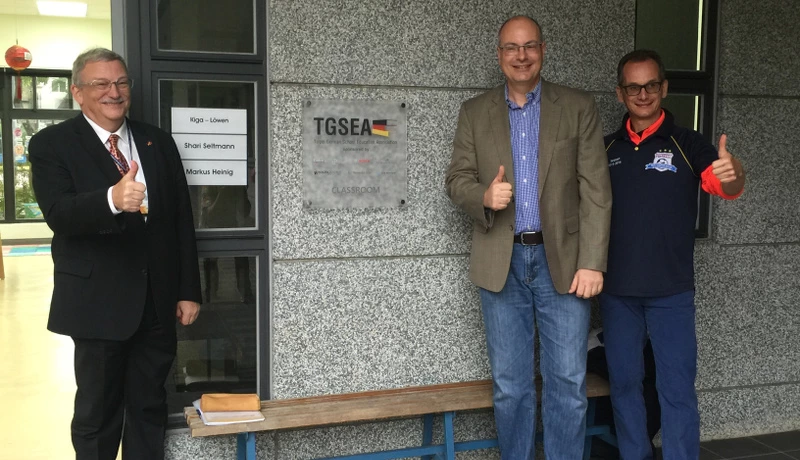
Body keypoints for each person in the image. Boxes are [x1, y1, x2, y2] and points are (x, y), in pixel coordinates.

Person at [445, 15, 612, 459]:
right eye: (511, 48)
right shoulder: (474, 111)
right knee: (510, 386)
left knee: (568, 383)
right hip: (502, 262)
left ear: (542, 50)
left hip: (566, 263)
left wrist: (592, 261)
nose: (521, 56)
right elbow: (456, 180)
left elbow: (597, 190)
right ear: (499, 55)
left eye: (529, 46)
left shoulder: (577, 106)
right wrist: (484, 195)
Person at [29, 47, 202, 460]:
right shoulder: (51, 144)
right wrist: (111, 199)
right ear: (78, 92)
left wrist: (188, 290)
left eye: (122, 82)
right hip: (98, 303)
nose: (114, 91)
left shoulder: (157, 142)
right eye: (101, 83)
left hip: (157, 303)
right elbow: (59, 214)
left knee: (149, 407)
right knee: (98, 414)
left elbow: (181, 219)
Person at [600, 49, 745, 460]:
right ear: (620, 93)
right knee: (624, 386)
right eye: (633, 87)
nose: (642, 94)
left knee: (676, 389)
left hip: (671, 293)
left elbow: (724, 186)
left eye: (651, 85)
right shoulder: (605, 148)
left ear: (664, 88)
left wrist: (733, 173)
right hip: (617, 292)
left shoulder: (688, 143)